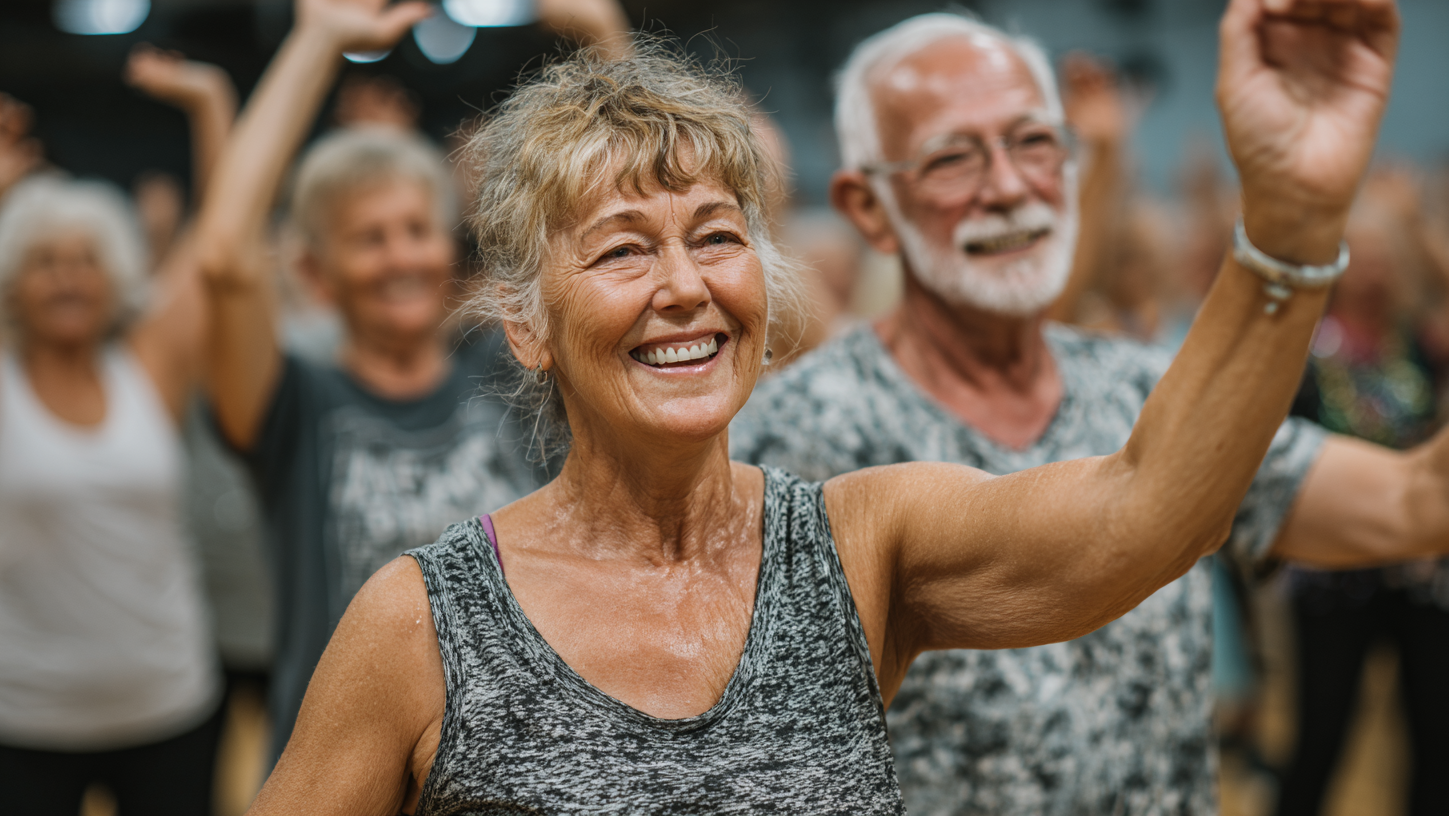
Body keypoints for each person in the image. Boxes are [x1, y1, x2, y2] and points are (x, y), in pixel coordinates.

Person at [213, 0, 1401, 811]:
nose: (685, 285)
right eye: (624, 250)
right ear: (526, 323)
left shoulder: (858, 544)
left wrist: (1290, 220)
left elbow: (1144, 515)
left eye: (718, 237)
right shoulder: (421, 624)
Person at [729, 8, 1446, 815]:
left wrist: (1306, 200)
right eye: (952, 158)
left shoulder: (1147, 392)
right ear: (868, 207)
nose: (1007, 187)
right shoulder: (793, 436)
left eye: (1034, 142)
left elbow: (1415, 502)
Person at [193, 0, 632, 766]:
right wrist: (316, 41)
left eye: (416, 229)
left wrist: (604, 39)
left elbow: (627, 213)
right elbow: (226, 257)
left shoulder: (509, 367)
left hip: (527, 758)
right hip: (346, 770)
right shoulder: (296, 404)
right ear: (313, 272)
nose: (402, 257)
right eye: (370, 238)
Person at [0, 184, 220, 811]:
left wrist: (209, 105)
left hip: (167, 702)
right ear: (11, 282)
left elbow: (220, 236)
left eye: (86, 260)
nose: (68, 278)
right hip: (22, 716)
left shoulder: (149, 365)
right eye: (45, 262)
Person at [1275, 197, 1449, 816]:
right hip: (1331, 576)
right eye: (1361, 256)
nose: (1373, 270)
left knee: (1436, 739)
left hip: (1418, 572)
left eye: (1384, 257)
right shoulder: (1307, 349)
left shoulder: (1418, 343)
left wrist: (1419, 228)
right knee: (1322, 736)